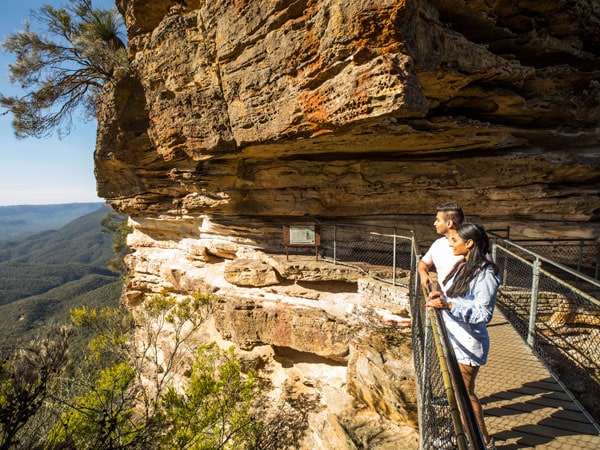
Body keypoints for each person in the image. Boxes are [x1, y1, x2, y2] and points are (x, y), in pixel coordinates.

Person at [426, 223, 500, 450]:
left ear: (469, 244)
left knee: (465, 395)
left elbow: (483, 313)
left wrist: (448, 305)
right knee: (460, 394)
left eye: (454, 241)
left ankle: (484, 443)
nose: (450, 244)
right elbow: (455, 293)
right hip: (455, 337)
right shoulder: (464, 264)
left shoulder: (485, 273)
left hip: (468, 342)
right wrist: (440, 294)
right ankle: (465, 435)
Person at [418, 202, 465, 292]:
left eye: (438, 220)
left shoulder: (469, 247)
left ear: (449, 223)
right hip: (442, 299)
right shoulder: (438, 244)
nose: (435, 223)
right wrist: (423, 274)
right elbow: (423, 263)